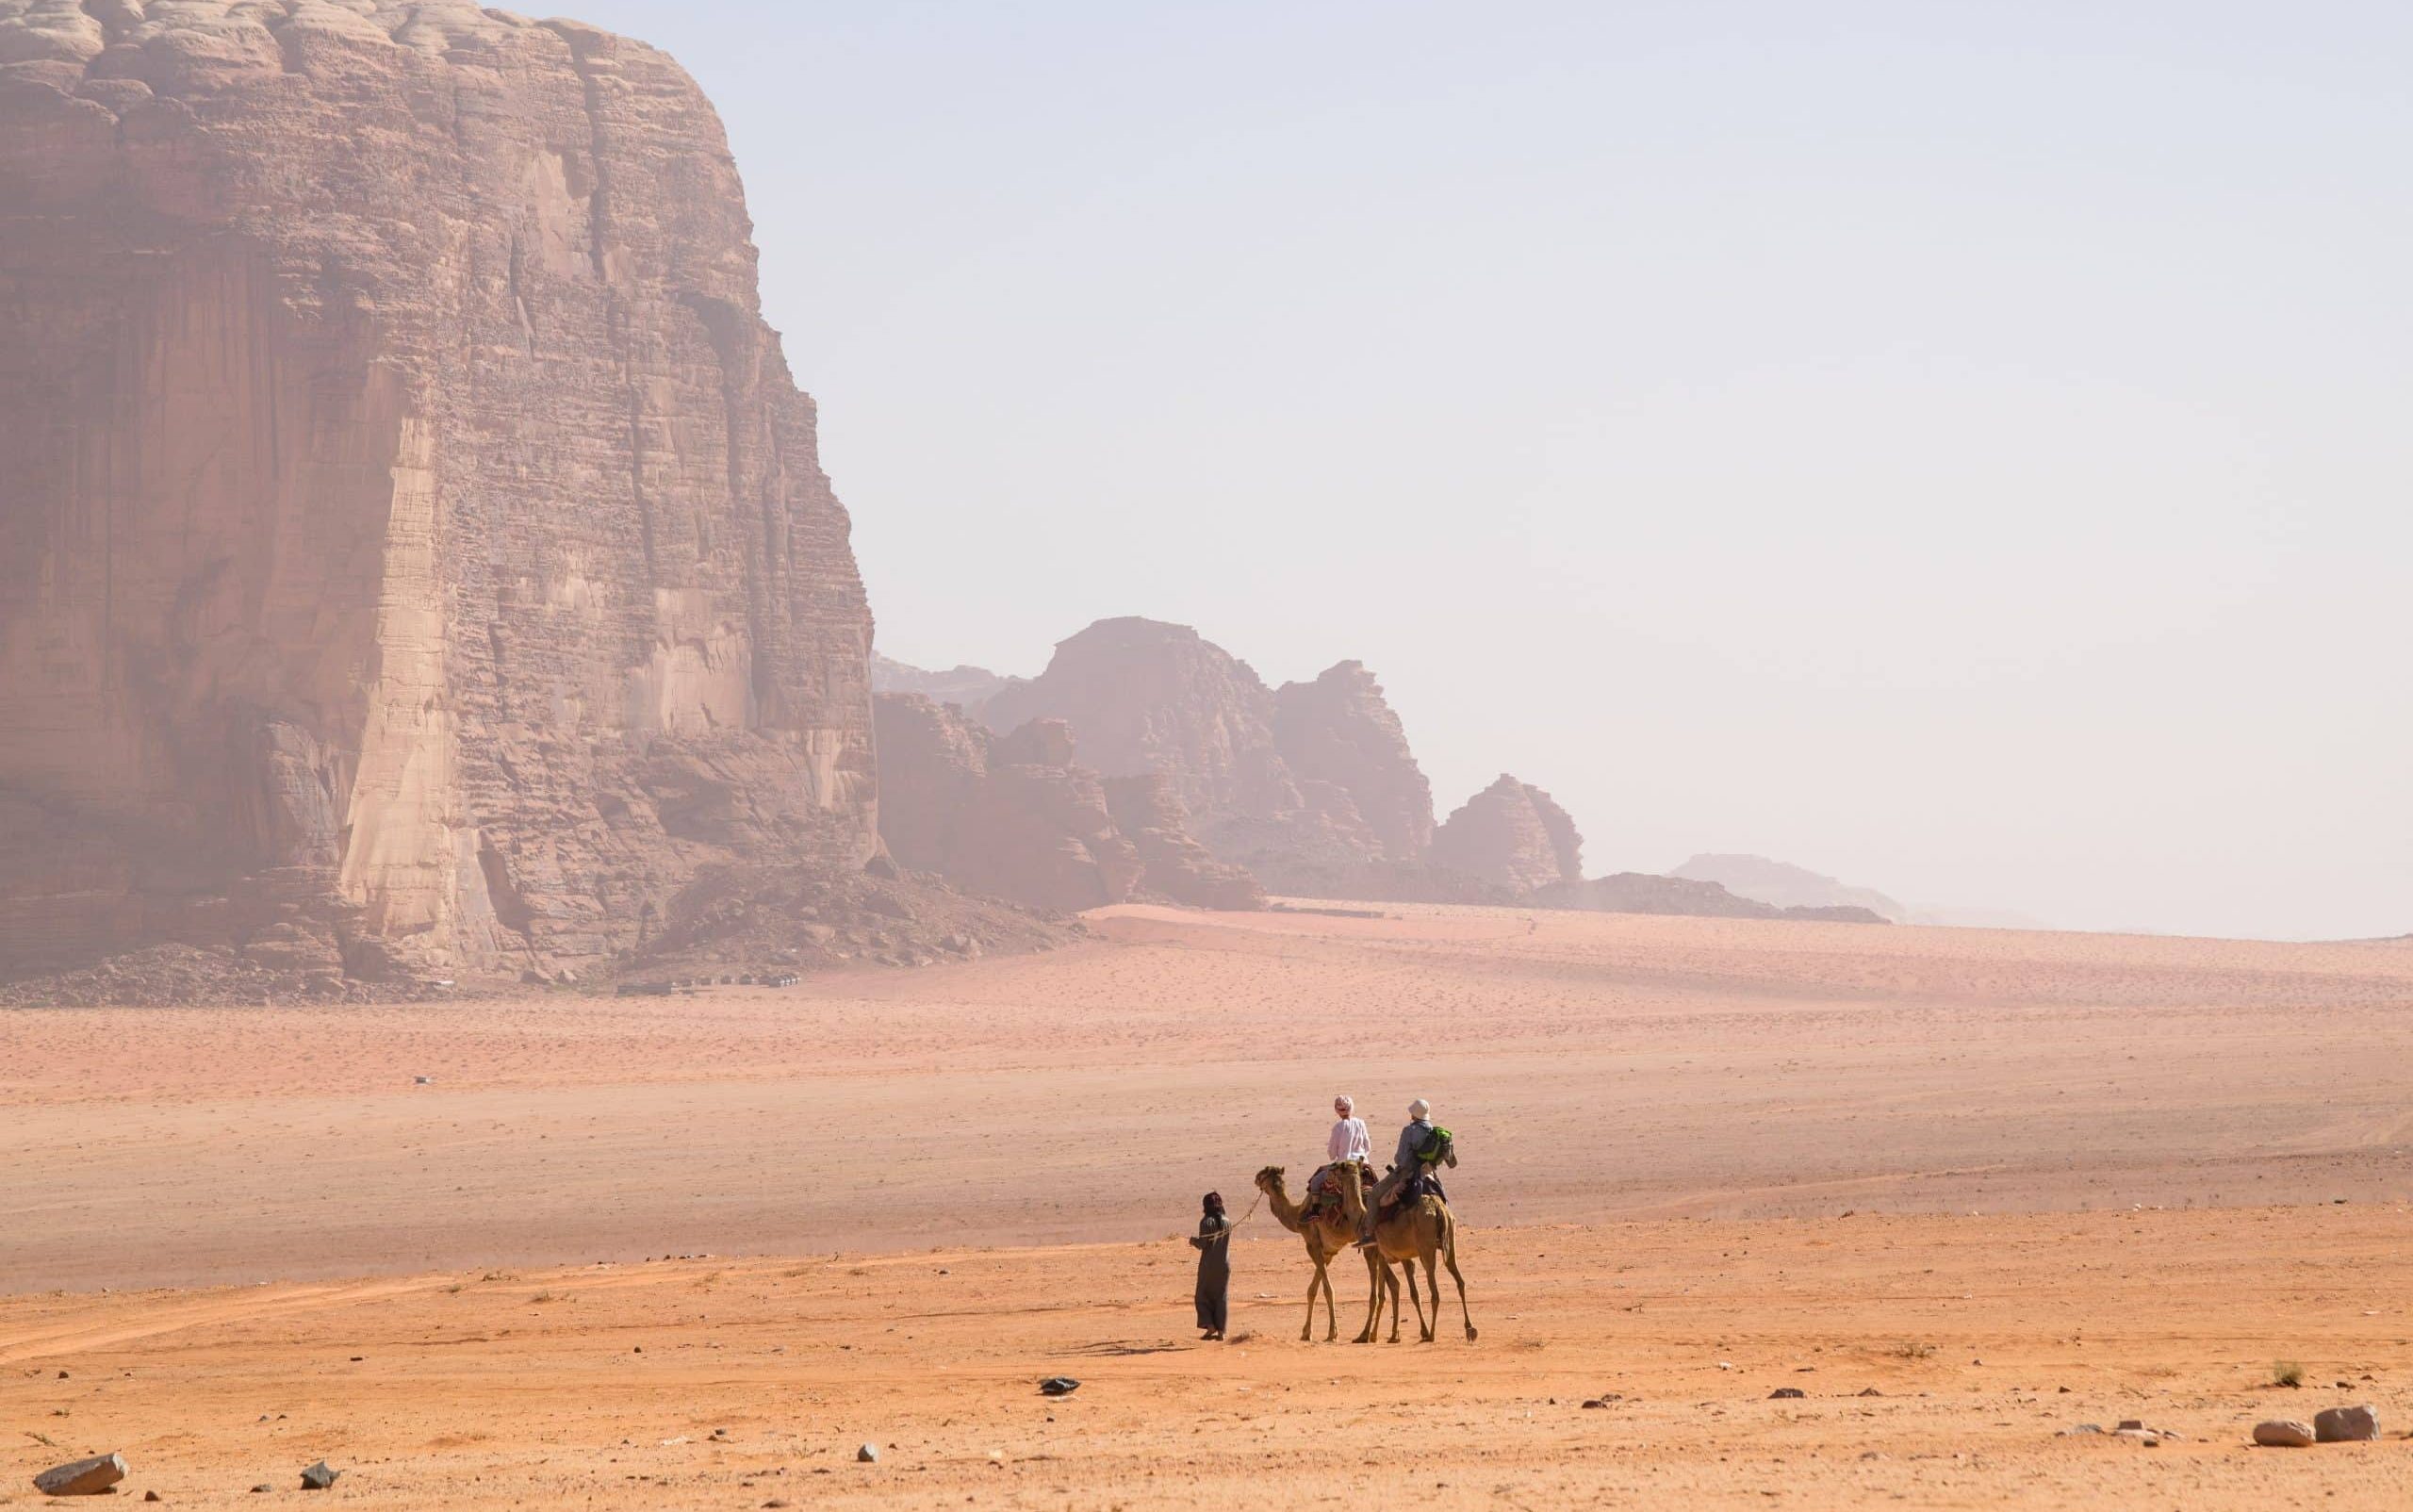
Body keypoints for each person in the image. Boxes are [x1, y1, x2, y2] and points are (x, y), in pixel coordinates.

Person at [1358, 1097, 1437, 1245]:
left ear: (1413, 1114)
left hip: (1406, 1173)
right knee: (1441, 1195)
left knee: (1374, 1195)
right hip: (1428, 1173)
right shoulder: (1433, 1130)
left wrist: (1398, 1160)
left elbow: (1400, 1159)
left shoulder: (1409, 1131)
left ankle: (1369, 1233)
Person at [1308, 1094, 1371, 1210]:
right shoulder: (1361, 1123)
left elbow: (1332, 1155)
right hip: (1363, 1166)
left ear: (1337, 1111)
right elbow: (1368, 1148)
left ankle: (1315, 1211)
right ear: (1351, 1108)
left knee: (1315, 1182)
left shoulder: (1338, 1127)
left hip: (1344, 1167)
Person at [1189, 1191, 1232, 1339]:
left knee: (1201, 1296)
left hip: (1208, 1266)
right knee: (1221, 1297)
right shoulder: (1227, 1221)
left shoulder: (1206, 1222)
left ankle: (1210, 1325)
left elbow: (1202, 1244)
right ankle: (1221, 1331)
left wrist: (1192, 1240)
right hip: (1224, 1265)